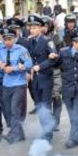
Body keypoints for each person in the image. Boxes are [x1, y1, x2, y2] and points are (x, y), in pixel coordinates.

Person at [23, 14, 58, 142]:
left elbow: (54, 59)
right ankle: (45, 129)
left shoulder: (47, 41)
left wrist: (40, 66)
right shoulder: (29, 42)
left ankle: (48, 134)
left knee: (46, 106)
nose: (32, 30)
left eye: (35, 27)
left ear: (41, 28)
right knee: (38, 106)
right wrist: (27, 70)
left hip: (45, 78)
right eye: (30, 27)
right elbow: (27, 59)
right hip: (34, 80)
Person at [0, 28, 32, 144]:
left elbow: (29, 63)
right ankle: (20, 134)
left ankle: (13, 134)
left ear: (15, 39)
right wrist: (0, 65)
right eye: (5, 39)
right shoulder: (1, 50)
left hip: (19, 84)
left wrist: (14, 68)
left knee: (14, 109)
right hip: (6, 83)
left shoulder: (21, 50)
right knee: (7, 110)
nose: (7, 42)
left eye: (10, 39)